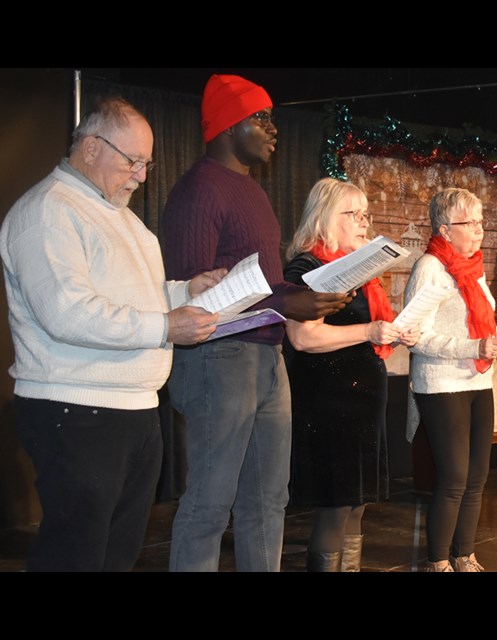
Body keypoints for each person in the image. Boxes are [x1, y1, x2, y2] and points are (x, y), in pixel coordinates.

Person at [0, 97, 222, 571]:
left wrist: (184, 291)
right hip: (78, 410)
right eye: (133, 161)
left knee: (116, 556)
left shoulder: (118, 215)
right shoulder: (47, 211)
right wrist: (167, 325)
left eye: (147, 163)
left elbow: (132, 293)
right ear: (92, 147)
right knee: (75, 556)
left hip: (133, 410)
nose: (142, 175)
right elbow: (68, 312)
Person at [162, 75, 350, 572]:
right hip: (217, 360)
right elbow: (191, 293)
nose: (273, 129)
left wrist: (304, 299)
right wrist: (287, 303)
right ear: (227, 125)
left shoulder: (253, 193)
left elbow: (263, 285)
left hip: (267, 356)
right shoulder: (199, 191)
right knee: (210, 503)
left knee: (268, 501)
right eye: (261, 117)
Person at [283, 178, 419, 571]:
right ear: (325, 217)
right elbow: (303, 338)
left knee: (357, 504)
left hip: (360, 400)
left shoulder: (358, 270)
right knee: (335, 506)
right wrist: (368, 331)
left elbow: (367, 331)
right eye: (353, 214)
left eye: (366, 214)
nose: (363, 222)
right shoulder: (307, 267)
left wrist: (394, 331)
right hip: (329, 402)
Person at [404, 188, 497, 572]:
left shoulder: (474, 268)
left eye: (481, 221)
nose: (479, 230)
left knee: (477, 476)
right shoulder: (430, 267)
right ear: (445, 230)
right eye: (470, 223)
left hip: (479, 382)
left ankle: (465, 555)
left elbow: (483, 325)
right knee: (454, 478)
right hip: (442, 383)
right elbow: (417, 336)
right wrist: (473, 348)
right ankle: (438, 561)